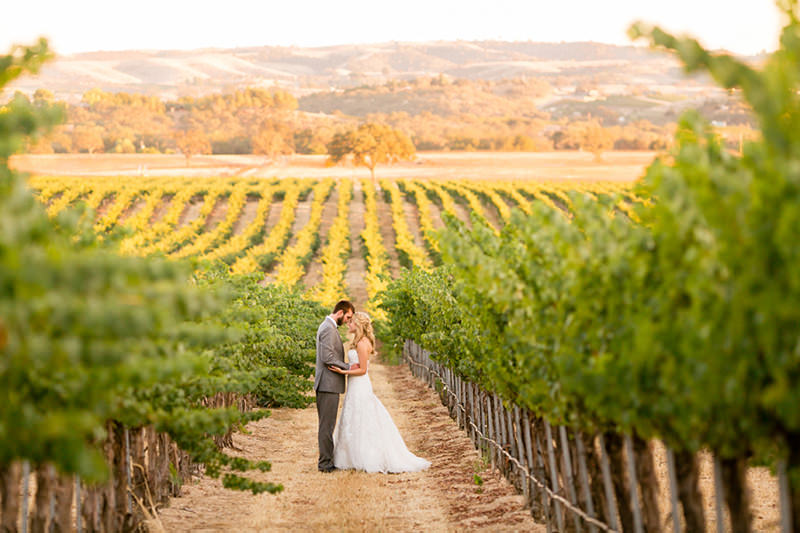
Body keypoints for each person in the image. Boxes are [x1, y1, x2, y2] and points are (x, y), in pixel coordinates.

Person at [329, 311, 431, 473]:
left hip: (360, 383)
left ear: (358, 324)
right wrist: (347, 367)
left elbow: (363, 370)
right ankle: (350, 455)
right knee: (353, 415)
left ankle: (365, 456)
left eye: (351, 322)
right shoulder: (360, 341)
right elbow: (357, 365)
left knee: (361, 416)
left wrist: (343, 372)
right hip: (355, 384)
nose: (348, 325)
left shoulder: (362, 343)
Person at [314, 299, 355, 473]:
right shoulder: (328, 329)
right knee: (326, 425)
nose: (348, 321)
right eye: (348, 317)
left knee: (327, 424)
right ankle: (325, 464)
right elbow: (327, 358)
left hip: (328, 384)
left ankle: (327, 460)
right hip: (327, 384)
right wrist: (349, 367)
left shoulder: (329, 327)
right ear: (340, 312)